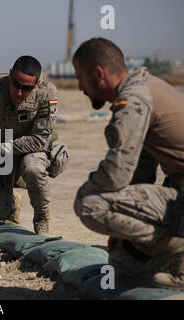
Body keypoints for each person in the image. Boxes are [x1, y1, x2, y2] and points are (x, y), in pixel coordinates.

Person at [72, 37, 184, 290]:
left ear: (98, 73)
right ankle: (172, 250)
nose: (80, 87)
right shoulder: (144, 88)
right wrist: (121, 233)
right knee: (123, 262)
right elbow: (141, 170)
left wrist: (85, 189)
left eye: (81, 78)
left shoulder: (134, 100)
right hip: (179, 196)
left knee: (90, 205)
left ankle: (180, 249)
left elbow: (116, 175)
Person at [0, 56, 69, 235]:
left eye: (26, 88)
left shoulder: (46, 93)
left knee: (33, 167)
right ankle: (11, 203)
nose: (19, 92)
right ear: (10, 74)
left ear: (36, 84)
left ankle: (42, 217)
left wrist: (0, 149)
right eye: (16, 84)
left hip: (32, 150)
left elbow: (39, 140)